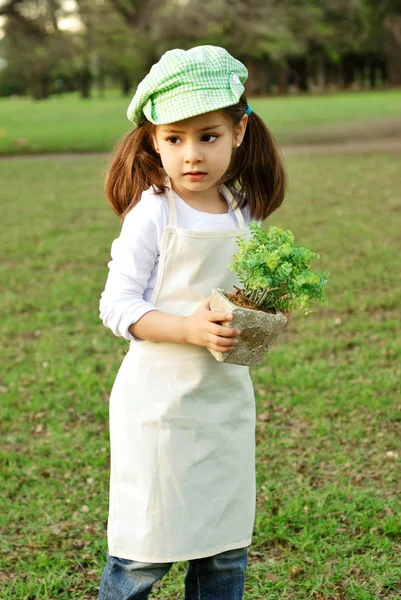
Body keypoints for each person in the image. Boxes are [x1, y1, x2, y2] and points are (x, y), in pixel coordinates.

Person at [98, 45, 288, 600]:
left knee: (224, 549)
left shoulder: (241, 207)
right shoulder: (153, 210)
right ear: (154, 139)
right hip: (158, 405)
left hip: (223, 397)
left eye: (208, 136)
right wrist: (189, 329)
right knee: (143, 551)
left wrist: (262, 317)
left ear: (239, 131)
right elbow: (118, 304)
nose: (191, 155)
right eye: (175, 139)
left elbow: (241, 293)